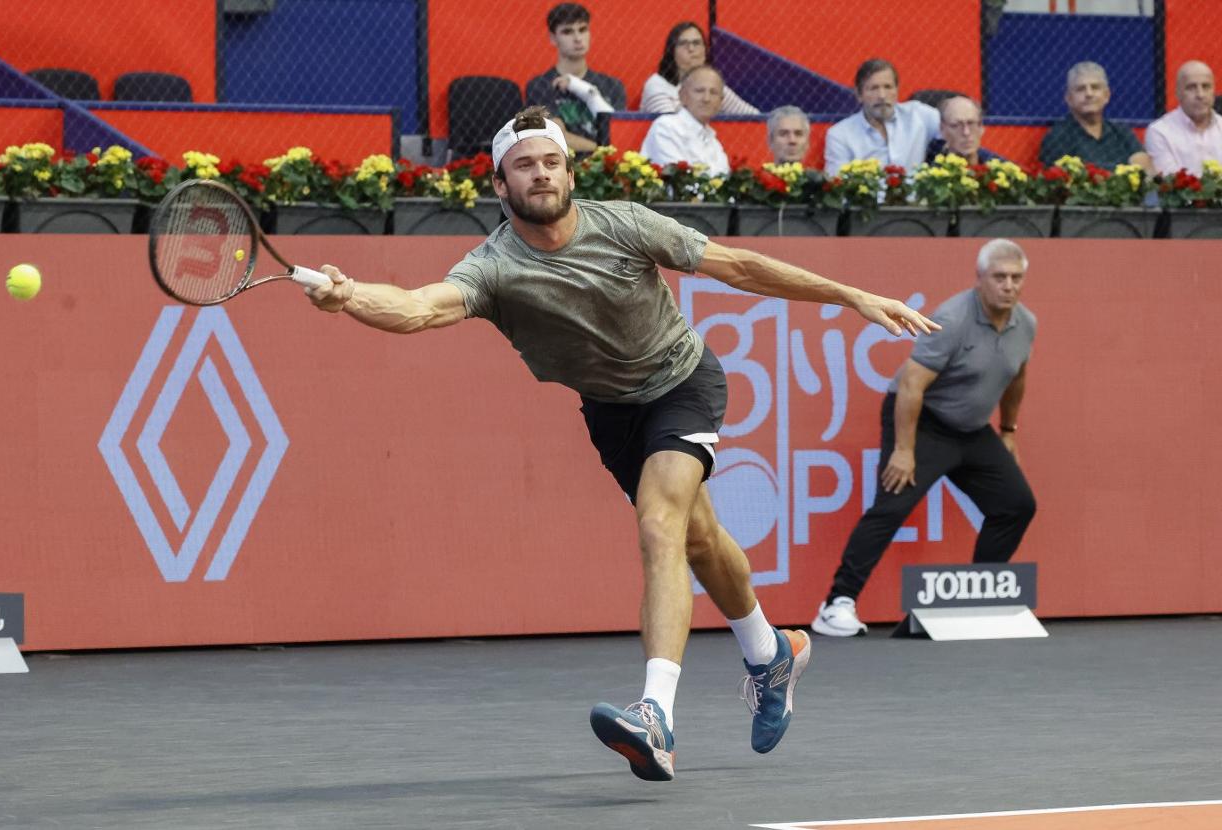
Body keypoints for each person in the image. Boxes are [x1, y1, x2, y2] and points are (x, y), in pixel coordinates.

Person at [304, 106, 939, 780]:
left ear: (569, 171)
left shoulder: (626, 224)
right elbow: (418, 308)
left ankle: (655, 715)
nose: (541, 173)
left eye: (551, 161)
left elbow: (738, 267)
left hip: (683, 383)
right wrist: (347, 297)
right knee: (699, 538)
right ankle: (769, 652)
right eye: (525, 165)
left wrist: (851, 295)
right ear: (500, 185)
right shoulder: (492, 268)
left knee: (660, 525)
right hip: (611, 415)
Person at [812, 239, 1036, 638]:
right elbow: (912, 385)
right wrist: (904, 449)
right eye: (999, 277)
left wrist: (1008, 432)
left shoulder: (1026, 324)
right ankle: (836, 605)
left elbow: (1016, 377)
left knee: (1016, 505)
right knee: (892, 507)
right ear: (980, 280)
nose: (1008, 285)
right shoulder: (952, 318)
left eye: (1016, 278)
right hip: (924, 421)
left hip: (973, 429)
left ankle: (982, 597)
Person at [525, 3, 627, 155]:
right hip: (564, 166)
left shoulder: (613, 86)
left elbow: (620, 135)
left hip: (608, 169)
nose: (578, 38)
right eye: (568, 32)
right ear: (553, 38)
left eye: (583, 29)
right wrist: (602, 149)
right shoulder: (540, 85)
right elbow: (557, 136)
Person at [824, 58, 941, 176]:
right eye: (874, 88)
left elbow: (954, 124)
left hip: (914, 194)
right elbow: (836, 183)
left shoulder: (918, 115)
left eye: (888, 87)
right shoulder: (840, 135)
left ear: (897, 90)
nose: (882, 96)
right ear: (859, 94)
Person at [1038, 61, 1153, 172]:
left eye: (1095, 87)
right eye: (1080, 89)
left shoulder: (1121, 132)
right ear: (1069, 98)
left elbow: (1145, 168)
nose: (1089, 94)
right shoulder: (1058, 137)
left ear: (1107, 95)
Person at [640, 21, 758, 116]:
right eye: (683, 43)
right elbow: (670, 125)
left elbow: (754, 117)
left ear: (705, 51)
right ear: (671, 51)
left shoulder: (713, 85)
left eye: (696, 43)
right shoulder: (657, 84)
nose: (691, 49)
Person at [640, 65, 730, 174]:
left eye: (713, 92)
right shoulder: (666, 127)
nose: (706, 98)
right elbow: (678, 182)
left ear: (721, 102)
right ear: (682, 95)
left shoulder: (714, 142)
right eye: (699, 91)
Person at [1145, 60, 1222, 176]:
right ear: (1178, 93)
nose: (1200, 95)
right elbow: (1171, 183)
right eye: (1191, 87)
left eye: (1206, 87)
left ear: (1213, 91)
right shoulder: (1159, 132)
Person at [925, 96, 1004, 165]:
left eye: (971, 123)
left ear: (981, 127)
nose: (966, 132)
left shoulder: (1001, 171)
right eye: (955, 125)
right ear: (942, 129)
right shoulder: (929, 175)